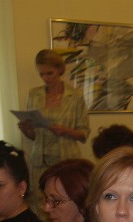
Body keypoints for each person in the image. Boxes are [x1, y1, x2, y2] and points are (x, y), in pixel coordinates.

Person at [18, 50, 90, 186]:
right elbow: (35, 137)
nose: (46, 78)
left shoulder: (75, 95)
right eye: (42, 74)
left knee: (66, 195)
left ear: (60, 70)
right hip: (40, 162)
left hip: (67, 161)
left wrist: (65, 131)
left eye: (49, 73)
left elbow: (84, 134)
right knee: (41, 197)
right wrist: (26, 130)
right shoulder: (34, 94)